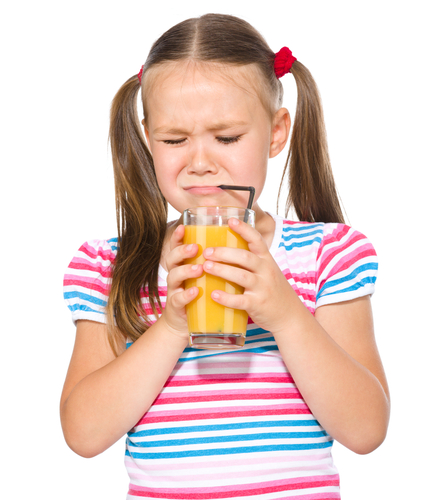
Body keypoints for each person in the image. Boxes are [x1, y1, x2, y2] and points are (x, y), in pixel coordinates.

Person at [61, 13, 390, 499]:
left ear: (277, 132)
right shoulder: (111, 266)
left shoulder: (327, 254)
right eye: (174, 140)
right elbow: (84, 434)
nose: (199, 161)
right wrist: (172, 326)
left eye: (227, 137)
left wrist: (286, 314)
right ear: (149, 138)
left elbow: (366, 430)